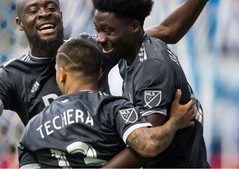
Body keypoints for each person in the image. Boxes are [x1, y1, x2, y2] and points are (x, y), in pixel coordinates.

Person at [0, 0, 236, 135]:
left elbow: (165, 31)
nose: (44, 13)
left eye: (50, 7)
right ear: (19, 24)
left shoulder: (88, 50)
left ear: (61, 15)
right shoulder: (11, 75)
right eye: (33, 10)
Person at [90, 0, 237, 168]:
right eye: (98, 30)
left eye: (108, 31)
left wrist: (175, 123)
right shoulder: (135, 44)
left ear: (133, 27)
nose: (100, 39)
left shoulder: (152, 68)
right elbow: (168, 30)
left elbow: (147, 146)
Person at [18, 38, 196, 168]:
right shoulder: (115, 108)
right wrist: (175, 122)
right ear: (100, 72)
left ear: (62, 73)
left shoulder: (32, 129)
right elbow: (149, 146)